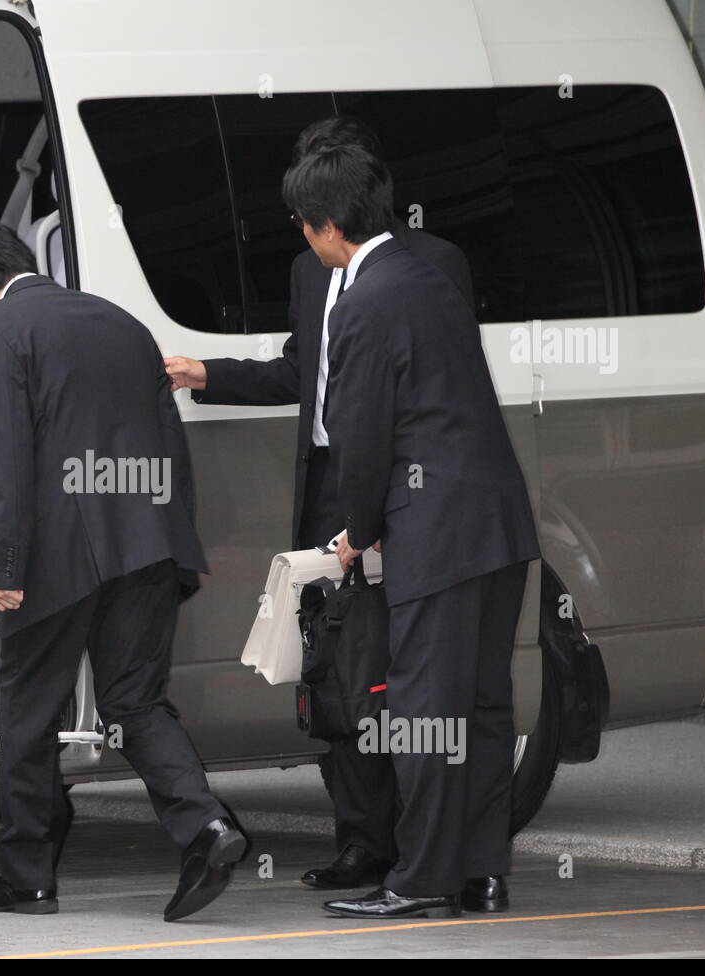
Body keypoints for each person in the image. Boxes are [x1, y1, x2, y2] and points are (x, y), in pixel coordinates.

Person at [163, 115, 474, 894]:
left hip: (402, 487)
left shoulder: (431, 264)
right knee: (333, 667)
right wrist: (207, 373)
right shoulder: (311, 272)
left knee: (403, 672)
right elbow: (303, 373)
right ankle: (361, 839)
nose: (308, 225)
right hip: (331, 482)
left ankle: (420, 848)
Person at [0, 222, 247, 921]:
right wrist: (175, 543)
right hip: (148, 540)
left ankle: (28, 878)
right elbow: (168, 439)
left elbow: (5, 459)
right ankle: (207, 827)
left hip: (59, 553)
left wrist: (4, 562)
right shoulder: (119, 320)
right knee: (135, 702)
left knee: (31, 709)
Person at [271, 143, 540, 918]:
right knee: (484, 707)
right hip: (498, 525)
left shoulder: (360, 301)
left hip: (437, 536)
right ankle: (483, 874)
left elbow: (362, 437)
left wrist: (357, 531)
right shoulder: (431, 276)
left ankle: (420, 881)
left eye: (301, 225)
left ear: (324, 229)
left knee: (424, 711)